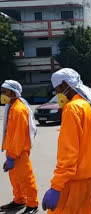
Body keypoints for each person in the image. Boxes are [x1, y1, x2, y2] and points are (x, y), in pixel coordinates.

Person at [42, 68, 91, 213]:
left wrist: (56, 186)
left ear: (64, 85)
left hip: (75, 183)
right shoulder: (88, 104)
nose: (57, 94)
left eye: (57, 89)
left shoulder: (72, 109)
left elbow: (68, 155)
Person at [0, 80, 38, 214]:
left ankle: (32, 204)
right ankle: (19, 200)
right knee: (15, 178)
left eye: (4, 91)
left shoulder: (19, 109)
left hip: (19, 151)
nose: (2, 94)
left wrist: (12, 156)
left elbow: (19, 136)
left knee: (25, 178)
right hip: (12, 150)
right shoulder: (11, 106)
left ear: (13, 92)